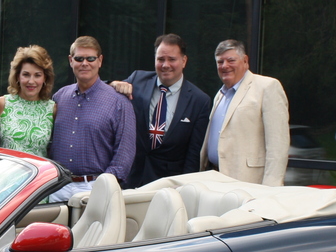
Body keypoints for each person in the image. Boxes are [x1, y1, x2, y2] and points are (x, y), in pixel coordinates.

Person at [110, 34, 211, 187]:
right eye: (160, 59)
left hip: (168, 185)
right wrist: (113, 83)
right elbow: (102, 93)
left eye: (172, 59)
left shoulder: (199, 100)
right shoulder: (137, 81)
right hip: (130, 178)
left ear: (184, 61)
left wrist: (185, 189)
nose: (165, 65)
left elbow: (193, 154)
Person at [48, 36, 136, 202]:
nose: (84, 63)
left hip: (95, 188)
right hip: (58, 187)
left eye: (90, 58)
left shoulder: (119, 102)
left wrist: (103, 186)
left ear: (100, 60)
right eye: (79, 58)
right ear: (70, 60)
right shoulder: (59, 97)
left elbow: (124, 154)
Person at [200, 39, 290, 186]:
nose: (225, 66)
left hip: (248, 183)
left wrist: (270, 189)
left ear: (245, 60)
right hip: (214, 179)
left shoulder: (267, 87)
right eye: (220, 62)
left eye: (231, 60)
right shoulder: (220, 95)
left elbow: (277, 147)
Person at [0, 45, 56, 157]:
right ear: (17, 76)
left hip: (38, 174)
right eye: (26, 75)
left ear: (45, 78)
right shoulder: (3, 103)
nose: (31, 81)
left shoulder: (52, 109)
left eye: (37, 75)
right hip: (5, 172)